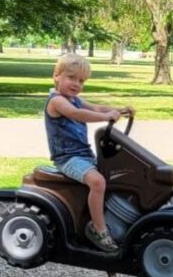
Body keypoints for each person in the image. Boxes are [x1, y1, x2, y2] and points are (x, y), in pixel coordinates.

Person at [45, 53, 130, 252]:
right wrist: (106, 117)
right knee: (98, 182)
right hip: (67, 158)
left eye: (81, 80)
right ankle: (98, 230)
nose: (76, 84)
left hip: (83, 154)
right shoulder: (57, 101)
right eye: (71, 78)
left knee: (117, 172)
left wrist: (119, 110)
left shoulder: (75, 99)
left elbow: (97, 107)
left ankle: (117, 218)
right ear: (56, 76)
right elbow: (76, 115)